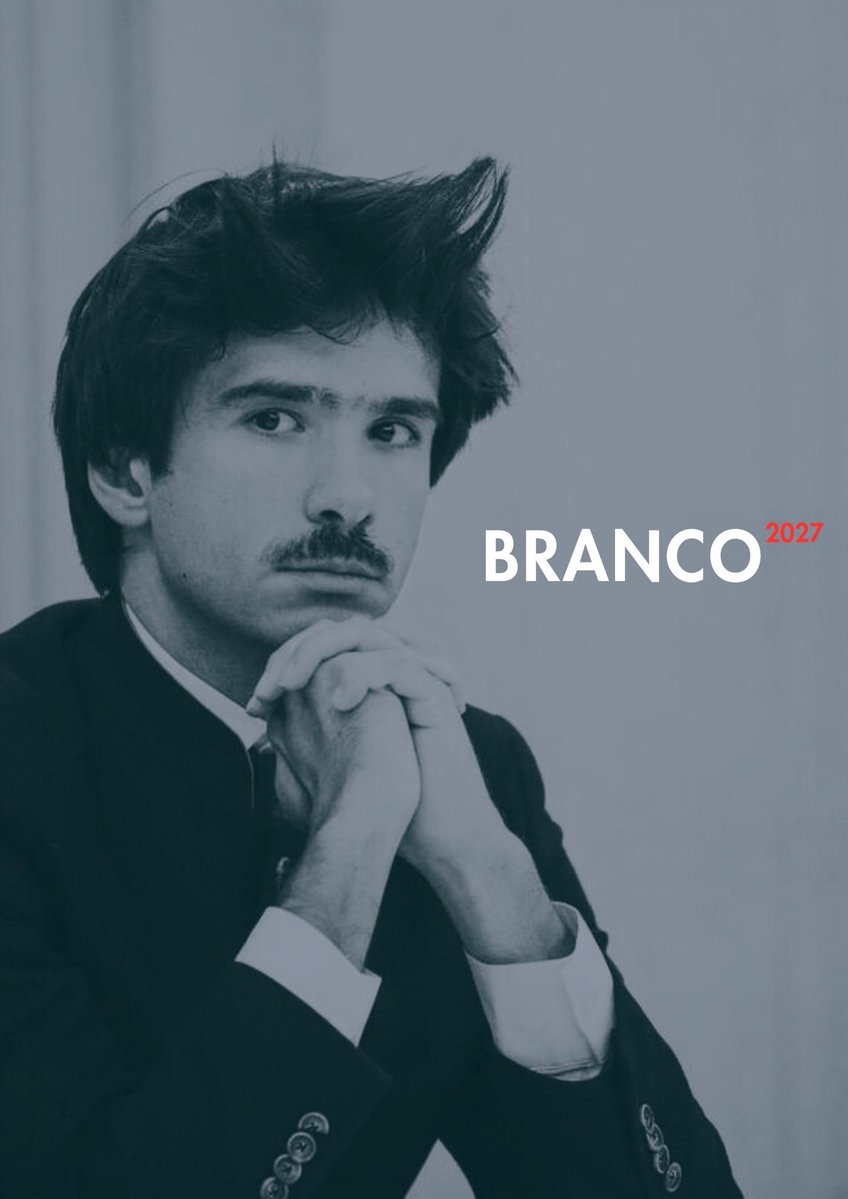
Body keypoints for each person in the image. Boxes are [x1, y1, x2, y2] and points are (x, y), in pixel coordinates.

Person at [0, 157, 743, 1199]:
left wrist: (490, 879)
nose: (349, 496)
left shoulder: (467, 766)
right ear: (126, 472)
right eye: (274, 418)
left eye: (392, 431)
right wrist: (349, 847)